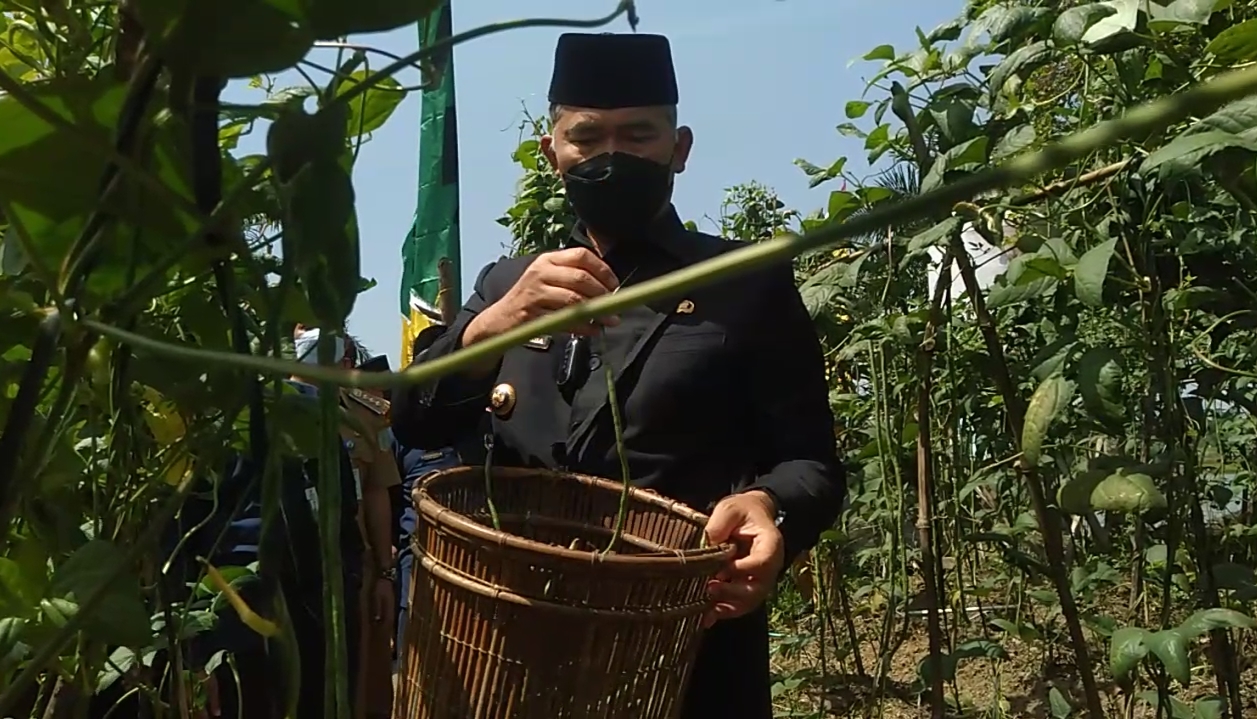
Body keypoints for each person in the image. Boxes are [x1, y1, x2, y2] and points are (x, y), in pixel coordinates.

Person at [391, 32, 845, 719]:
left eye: (638, 134)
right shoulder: (508, 282)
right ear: (553, 153)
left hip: (685, 652)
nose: (611, 155)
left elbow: (810, 460)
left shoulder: (742, 282)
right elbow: (416, 414)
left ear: (678, 148)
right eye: (587, 136)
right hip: (510, 651)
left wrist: (768, 507)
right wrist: (490, 326)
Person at [171, 326, 364, 719]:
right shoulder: (215, 433)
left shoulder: (314, 415)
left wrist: (351, 581)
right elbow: (181, 542)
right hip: (233, 613)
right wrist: (192, 656)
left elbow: (343, 515)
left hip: (314, 607)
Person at [341, 351, 403, 719]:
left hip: (357, 572)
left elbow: (378, 490)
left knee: (364, 687)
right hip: (289, 574)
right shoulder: (263, 406)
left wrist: (384, 573)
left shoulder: (365, 412)